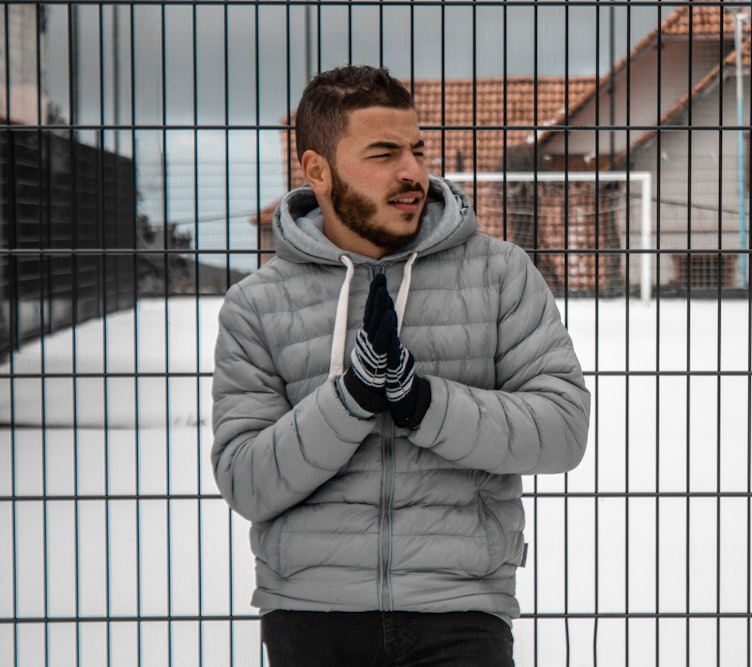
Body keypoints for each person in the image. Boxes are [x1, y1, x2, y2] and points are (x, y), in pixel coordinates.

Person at [211, 64, 591, 666]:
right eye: (383, 153)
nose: (412, 171)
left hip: (461, 611)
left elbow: (563, 432)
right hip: (310, 615)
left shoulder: (499, 274)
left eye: (416, 149)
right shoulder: (258, 304)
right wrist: (350, 400)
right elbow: (247, 482)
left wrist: (423, 402)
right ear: (318, 171)